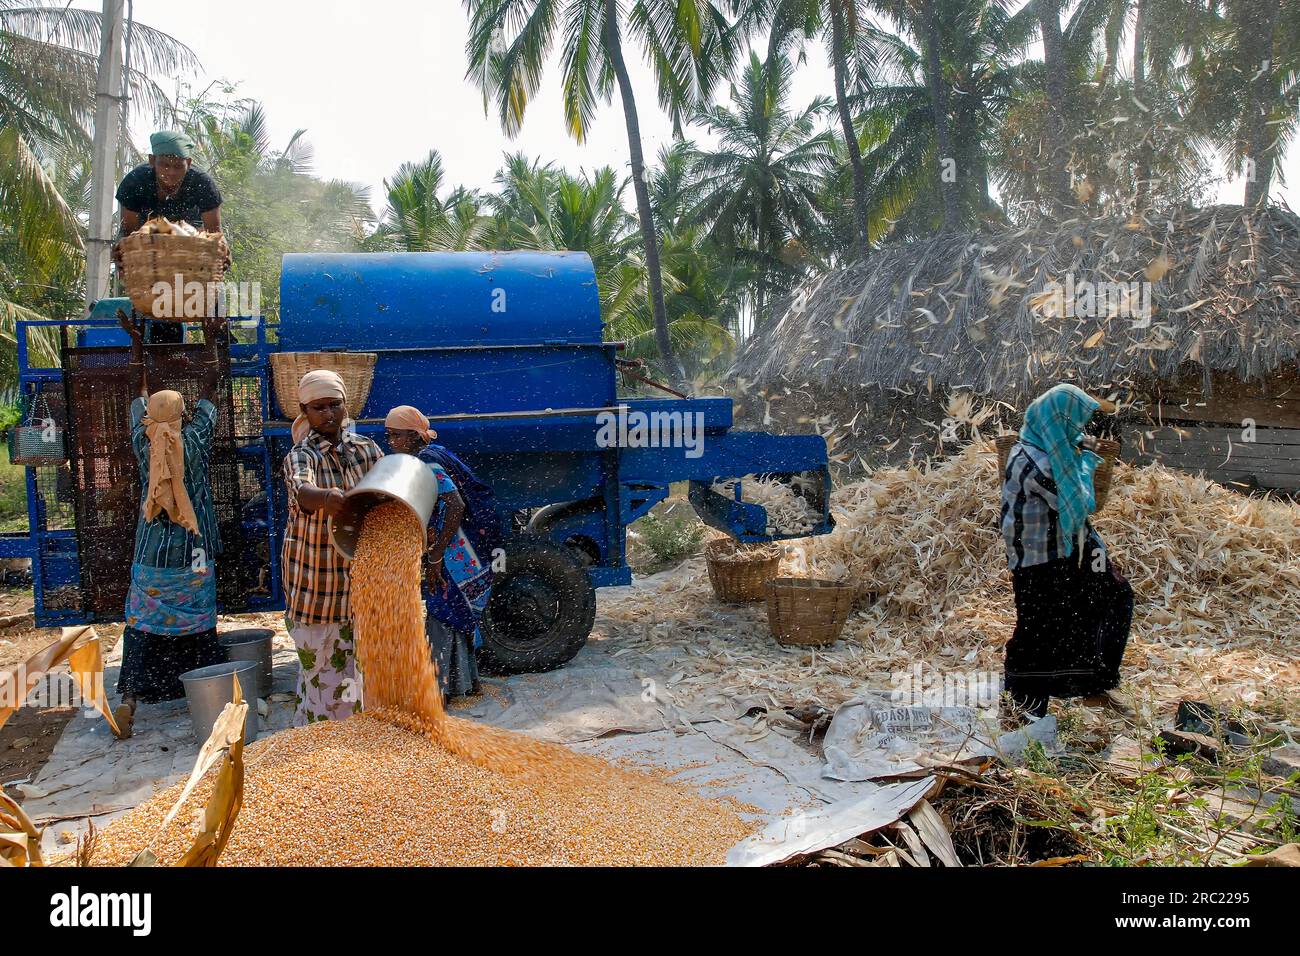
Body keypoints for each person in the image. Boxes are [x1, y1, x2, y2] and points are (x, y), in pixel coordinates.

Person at [114, 317, 225, 738]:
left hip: (151, 556)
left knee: (142, 626)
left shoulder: (143, 440)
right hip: (194, 553)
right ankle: (207, 695)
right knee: (199, 627)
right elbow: (213, 386)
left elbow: (134, 389)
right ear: (181, 414)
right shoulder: (194, 438)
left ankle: (130, 700)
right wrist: (212, 338)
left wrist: (138, 343)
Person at [999, 384, 1134, 721]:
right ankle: (1021, 711)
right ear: (1056, 420)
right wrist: (1088, 460)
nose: (1079, 431)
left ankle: (1093, 686)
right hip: (1037, 561)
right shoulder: (1035, 461)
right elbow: (1079, 502)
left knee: (1111, 595)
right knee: (1037, 631)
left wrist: (1086, 448)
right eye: (1074, 422)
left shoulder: (1046, 444)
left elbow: (1075, 453)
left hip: (1064, 549)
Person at [281, 370, 383, 726]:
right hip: (317, 589)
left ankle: (353, 746)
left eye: (334, 405)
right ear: (304, 411)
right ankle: (319, 749)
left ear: (345, 406)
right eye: (318, 407)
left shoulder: (366, 449)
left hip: (360, 589)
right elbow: (301, 490)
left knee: (359, 676)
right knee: (322, 678)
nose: (327, 414)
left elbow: (388, 489)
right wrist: (328, 498)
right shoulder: (301, 455)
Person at [385, 405, 500, 700]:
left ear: (413, 436)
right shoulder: (437, 451)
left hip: (457, 552)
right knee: (455, 612)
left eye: (396, 436)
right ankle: (463, 682)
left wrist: (435, 554)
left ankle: (440, 688)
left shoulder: (428, 462)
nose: (392, 443)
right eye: (389, 436)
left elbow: (456, 504)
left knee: (443, 610)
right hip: (459, 547)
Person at [112, 129, 226, 344]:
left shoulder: (203, 184)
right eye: (164, 165)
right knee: (155, 289)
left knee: (213, 285)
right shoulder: (135, 182)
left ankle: (219, 342)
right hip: (146, 236)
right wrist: (128, 257)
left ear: (189, 163)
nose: (171, 173)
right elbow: (128, 230)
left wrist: (217, 257)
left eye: (178, 167)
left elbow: (214, 233)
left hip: (190, 235)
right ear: (152, 160)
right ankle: (163, 345)